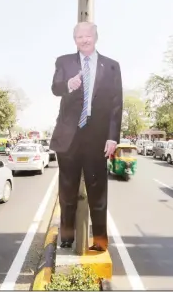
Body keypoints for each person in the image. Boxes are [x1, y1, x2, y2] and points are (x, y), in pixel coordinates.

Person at [49, 22, 123, 252]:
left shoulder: (111, 66)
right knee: (67, 193)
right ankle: (67, 238)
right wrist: (68, 85)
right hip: (69, 138)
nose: (84, 39)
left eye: (87, 35)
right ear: (75, 40)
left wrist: (113, 137)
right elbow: (55, 88)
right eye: (79, 36)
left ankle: (100, 242)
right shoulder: (64, 61)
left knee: (98, 194)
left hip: (97, 138)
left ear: (96, 37)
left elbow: (116, 105)